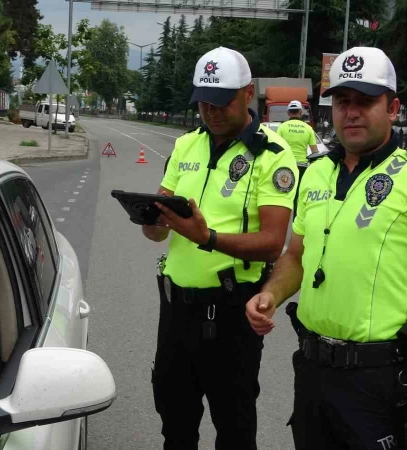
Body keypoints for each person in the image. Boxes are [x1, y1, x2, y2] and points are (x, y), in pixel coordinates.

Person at [245, 47, 407, 449]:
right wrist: (270, 294)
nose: (351, 112)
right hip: (313, 371)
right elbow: (296, 257)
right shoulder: (316, 173)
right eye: (343, 101)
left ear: (393, 108)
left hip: (379, 382)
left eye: (365, 101)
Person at [143, 46, 298, 450]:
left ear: (248, 93)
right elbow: (159, 229)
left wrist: (206, 237)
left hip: (230, 314)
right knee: (175, 424)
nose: (210, 111)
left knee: (233, 428)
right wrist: (152, 221)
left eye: (220, 101)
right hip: (176, 311)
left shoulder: (273, 156)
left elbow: (271, 243)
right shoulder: (185, 146)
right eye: (202, 103)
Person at [276, 100, 319, 218]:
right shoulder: (308, 128)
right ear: (300, 112)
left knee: (282, 196)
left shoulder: (282, 127)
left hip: (285, 166)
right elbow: (315, 152)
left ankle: (281, 222)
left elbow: (277, 147)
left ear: (288, 112)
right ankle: (296, 222)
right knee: (298, 196)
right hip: (302, 167)